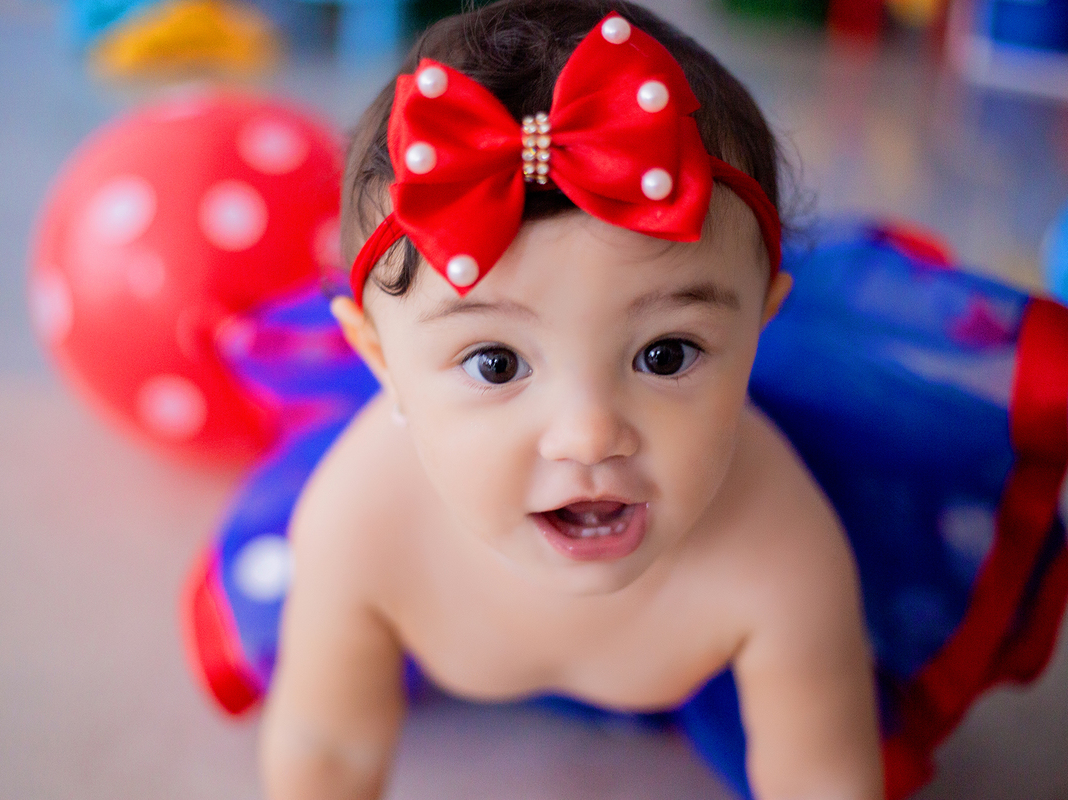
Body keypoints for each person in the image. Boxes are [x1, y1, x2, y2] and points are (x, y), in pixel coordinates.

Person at [259, 2, 888, 798]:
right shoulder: (361, 521)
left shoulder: (780, 551)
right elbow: (326, 748)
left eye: (667, 355)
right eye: (495, 363)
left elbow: (823, 776)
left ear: (761, 325)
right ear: (379, 358)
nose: (589, 435)